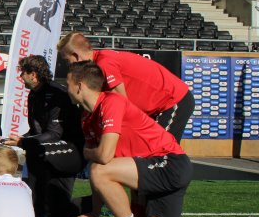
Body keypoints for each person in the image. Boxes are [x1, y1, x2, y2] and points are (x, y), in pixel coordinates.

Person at [67, 61, 259, 217]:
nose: (65, 87)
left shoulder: (111, 102)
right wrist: (94, 213)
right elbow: (102, 168)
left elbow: (103, 157)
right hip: (160, 169)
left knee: (99, 169)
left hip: (170, 164)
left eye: (67, 82)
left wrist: (87, 153)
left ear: (79, 86)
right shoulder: (87, 117)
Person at [58, 32, 193, 143]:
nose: (67, 65)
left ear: (76, 56)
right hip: (156, 107)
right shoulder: (98, 64)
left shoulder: (104, 63)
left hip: (173, 100)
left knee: (160, 147)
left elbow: (120, 103)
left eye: (66, 60)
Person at [4, 55, 85, 217]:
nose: (21, 78)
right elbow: (36, 131)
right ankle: (95, 204)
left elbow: (54, 134)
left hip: (73, 151)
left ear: (33, 74)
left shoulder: (57, 93)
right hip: (54, 150)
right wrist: (17, 139)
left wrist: (24, 142)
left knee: (35, 151)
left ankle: (35, 211)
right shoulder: (32, 95)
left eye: (23, 74)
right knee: (59, 212)